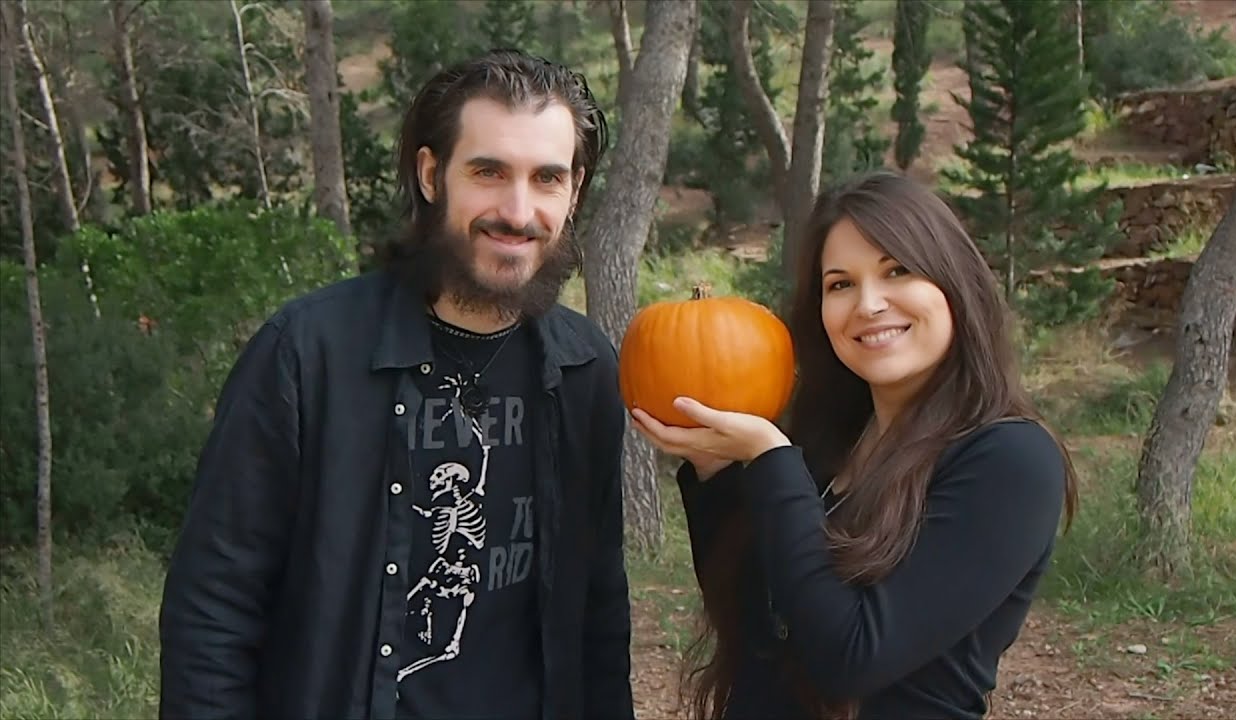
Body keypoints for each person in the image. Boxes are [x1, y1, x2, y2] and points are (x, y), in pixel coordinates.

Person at [158, 48, 635, 720]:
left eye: (547, 178)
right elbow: (213, 612)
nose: (518, 211)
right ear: (431, 174)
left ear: (575, 190)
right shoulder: (306, 356)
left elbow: (598, 613)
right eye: (489, 171)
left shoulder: (584, 367)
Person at [631, 170, 1079, 720]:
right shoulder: (829, 441)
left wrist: (772, 462)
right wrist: (716, 471)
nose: (868, 305)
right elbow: (757, 624)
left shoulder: (1010, 460)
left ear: (954, 283)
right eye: (840, 284)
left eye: (897, 271)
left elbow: (849, 659)